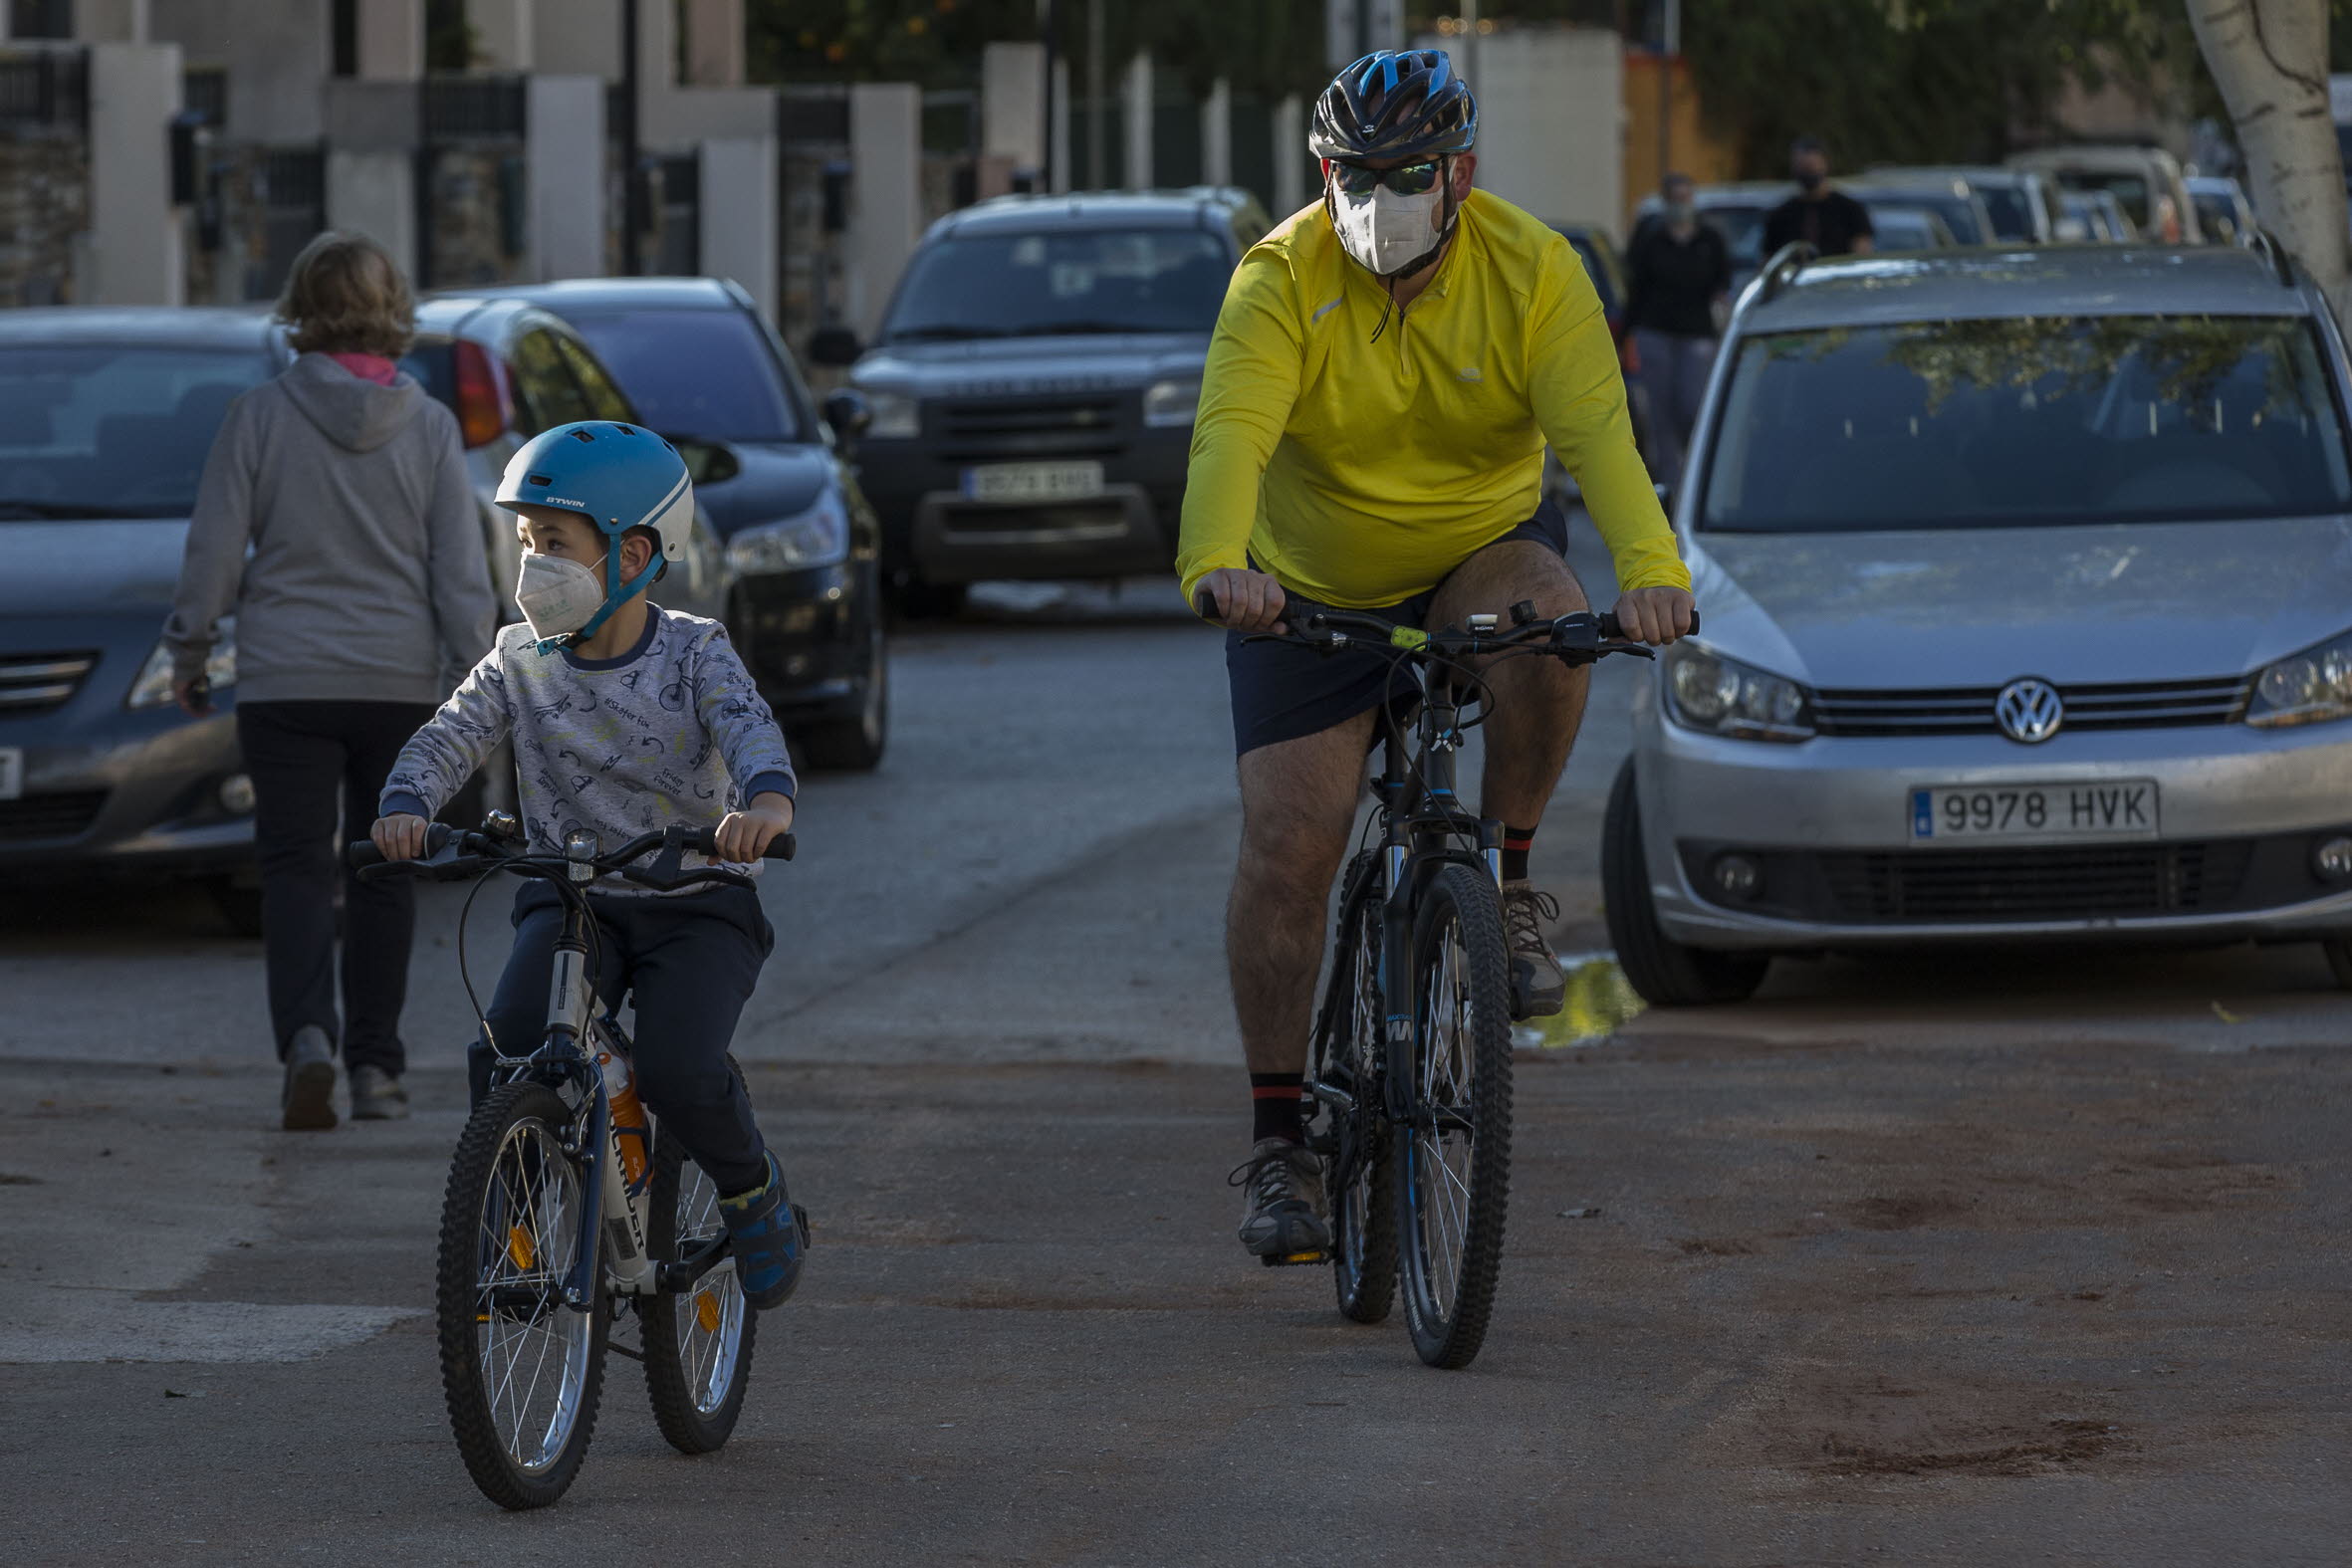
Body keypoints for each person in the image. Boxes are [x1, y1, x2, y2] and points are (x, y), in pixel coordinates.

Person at [1175, 49, 1696, 1262]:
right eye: (1354, 174)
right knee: (1290, 845)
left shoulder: (1536, 271)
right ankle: (1279, 1140)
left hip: (1477, 556)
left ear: (1461, 171)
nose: (1378, 198)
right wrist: (1216, 567)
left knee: (1552, 618)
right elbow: (1228, 439)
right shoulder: (1276, 279)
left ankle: (1507, 889)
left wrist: (1655, 580)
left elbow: (1600, 444)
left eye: (1407, 173)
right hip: (1302, 590)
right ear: (1322, 171)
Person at [368, 420, 809, 1308]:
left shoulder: (695, 651)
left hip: (696, 898)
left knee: (682, 1070)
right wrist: (408, 802)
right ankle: (518, 1233)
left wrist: (764, 805)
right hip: (571, 896)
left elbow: (749, 728)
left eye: (556, 543)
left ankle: (753, 1190)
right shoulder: (518, 657)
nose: (534, 564)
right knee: (511, 1049)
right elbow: (450, 733)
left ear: (635, 551)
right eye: (526, 542)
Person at [162, 231, 497, 1132]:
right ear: (394, 310)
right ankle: (376, 1071)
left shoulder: (258, 416)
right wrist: (478, 692)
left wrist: (189, 654)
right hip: (396, 680)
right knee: (385, 871)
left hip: (286, 679)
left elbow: (213, 557)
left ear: (300, 308)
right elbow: (459, 577)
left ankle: (306, 1037)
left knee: (296, 869)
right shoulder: (428, 427)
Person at [1623, 172, 1732, 483]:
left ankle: (1698, 475)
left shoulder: (1709, 239)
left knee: (1691, 406)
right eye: (1674, 199)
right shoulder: (1650, 238)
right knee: (1661, 413)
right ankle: (1671, 485)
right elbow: (1637, 288)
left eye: (1685, 199)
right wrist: (1627, 334)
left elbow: (1721, 286)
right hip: (1656, 332)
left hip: (1696, 333)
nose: (1680, 206)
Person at [1761, 136, 1875, 259]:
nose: (1807, 173)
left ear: (1825, 164)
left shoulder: (1850, 210)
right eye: (1801, 167)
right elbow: (1769, 259)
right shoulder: (1780, 215)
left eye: (1810, 167)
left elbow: (1862, 254)